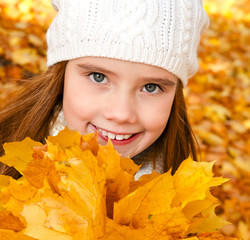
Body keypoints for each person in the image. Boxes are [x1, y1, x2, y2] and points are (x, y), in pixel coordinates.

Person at [0, 0, 209, 180]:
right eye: (98, 77)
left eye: (151, 87)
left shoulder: (181, 201)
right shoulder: (8, 159)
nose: (121, 114)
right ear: (61, 75)